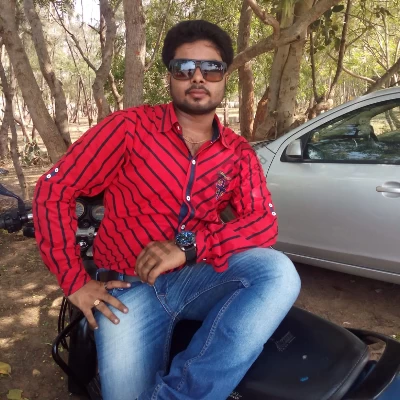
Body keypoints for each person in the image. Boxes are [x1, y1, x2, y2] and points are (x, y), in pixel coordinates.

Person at [33, 19, 300, 400]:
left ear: (224, 77)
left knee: (278, 273)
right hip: (126, 289)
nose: (198, 77)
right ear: (170, 77)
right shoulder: (129, 129)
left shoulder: (237, 153)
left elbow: (262, 224)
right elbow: (54, 188)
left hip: (196, 278)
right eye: (184, 67)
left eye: (211, 68)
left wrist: (189, 248)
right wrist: (74, 281)